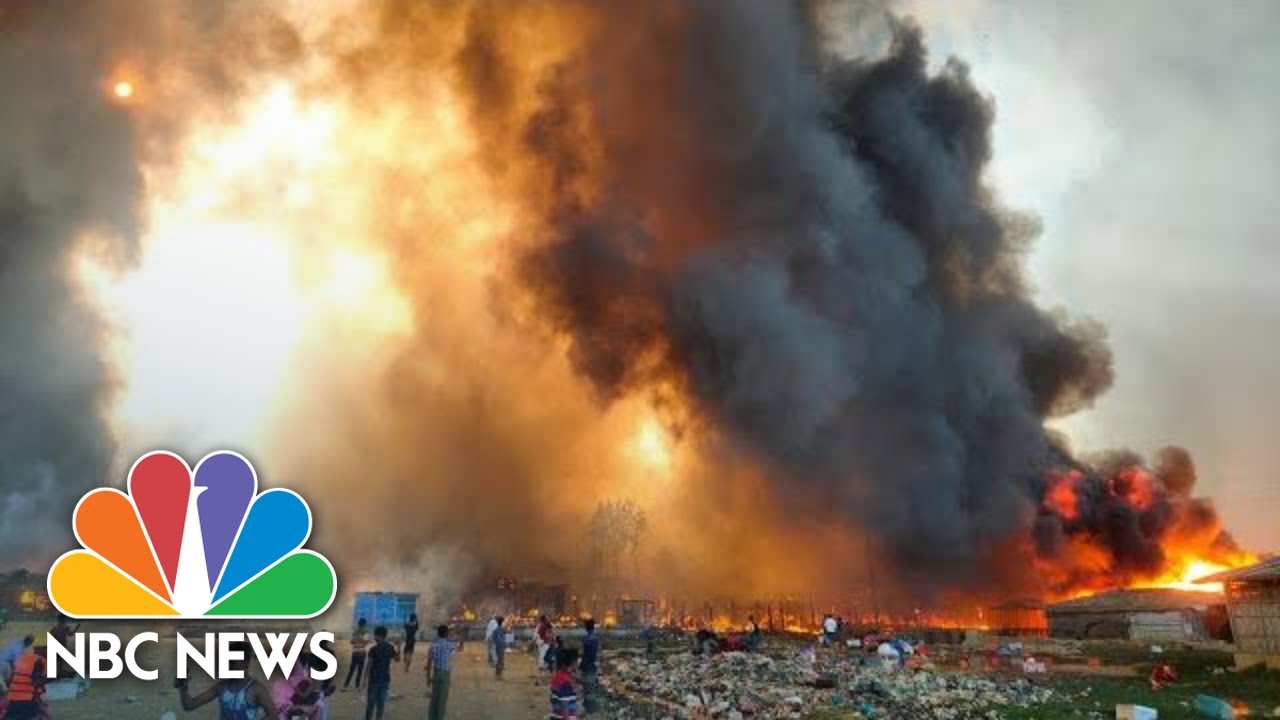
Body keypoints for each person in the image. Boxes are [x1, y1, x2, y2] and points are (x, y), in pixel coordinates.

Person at [179, 640, 278, 719]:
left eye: (233, 661)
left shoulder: (256, 688)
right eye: (228, 661)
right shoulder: (222, 687)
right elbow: (189, 705)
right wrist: (183, 687)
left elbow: (274, 715)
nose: (229, 665)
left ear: (246, 663)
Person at [364, 626, 398, 720]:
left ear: (378, 636)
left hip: (374, 680)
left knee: (371, 704)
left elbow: (368, 665)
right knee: (381, 704)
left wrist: (364, 680)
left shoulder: (373, 649)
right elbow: (397, 659)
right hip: (385, 679)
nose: (374, 637)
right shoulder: (390, 647)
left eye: (375, 635)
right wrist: (399, 647)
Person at [4, 644, 45, 720]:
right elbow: (37, 682)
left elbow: (9, 681)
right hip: (27, 701)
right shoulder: (38, 662)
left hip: (13, 701)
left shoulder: (19, 660)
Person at [425, 625, 457, 720]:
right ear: (446, 633)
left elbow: (429, 662)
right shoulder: (449, 645)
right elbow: (460, 648)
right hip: (445, 673)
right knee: (442, 698)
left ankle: (431, 717)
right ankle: (440, 717)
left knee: (434, 696)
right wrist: (459, 637)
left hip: (436, 672)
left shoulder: (433, 645)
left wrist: (427, 677)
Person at [548, 647, 579, 719]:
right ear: (573, 663)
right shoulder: (566, 681)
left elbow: (553, 696)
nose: (577, 664)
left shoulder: (559, 675)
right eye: (576, 661)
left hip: (556, 715)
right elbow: (564, 705)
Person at [579, 619, 600, 715]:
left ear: (586, 628)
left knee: (586, 687)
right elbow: (596, 654)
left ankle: (588, 709)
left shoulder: (584, 639)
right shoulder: (595, 639)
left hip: (585, 666)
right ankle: (592, 709)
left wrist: (580, 665)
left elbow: (583, 654)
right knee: (592, 687)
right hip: (592, 666)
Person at [343, 618, 370, 690]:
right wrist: (362, 642)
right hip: (362, 652)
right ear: (364, 624)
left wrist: (356, 641)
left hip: (355, 652)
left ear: (358, 624)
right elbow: (366, 642)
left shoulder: (355, 632)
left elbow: (351, 642)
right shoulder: (366, 632)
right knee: (360, 670)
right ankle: (357, 686)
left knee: (351, 670)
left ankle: (345, 686)